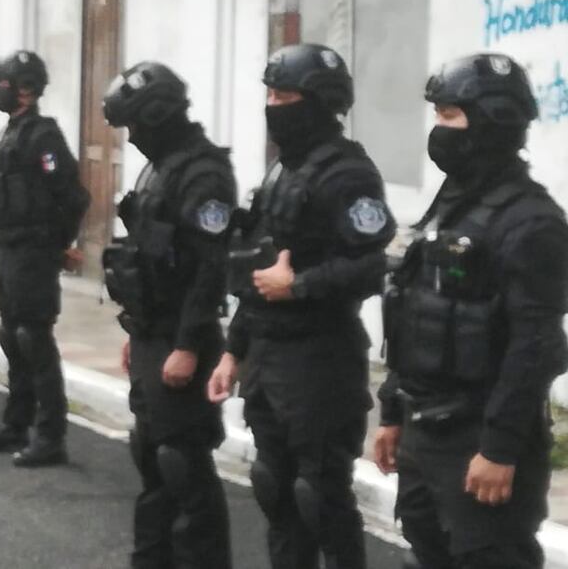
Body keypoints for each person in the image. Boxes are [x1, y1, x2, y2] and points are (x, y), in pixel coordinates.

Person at [373, 53, 568, 569]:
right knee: (426, 547)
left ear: (493, 122)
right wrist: (393, 411)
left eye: (450, 116)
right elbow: (411, 311)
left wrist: (500, 449)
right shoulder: (450, 204)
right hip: (423, 429)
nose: (438, 129)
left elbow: (537, 346)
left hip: (479, 435)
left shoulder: (532, 222)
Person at [207, 43, 396, 569]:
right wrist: (232, 352)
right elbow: (257, 272)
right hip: (267, 356)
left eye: (285, 95)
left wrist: (302, 286)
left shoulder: (348, 174)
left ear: (319, 102)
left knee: (321, 496)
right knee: (273, 486)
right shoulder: (279, 172)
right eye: (269, 93)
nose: (273, 104)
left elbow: (373, 266)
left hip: (321, 359)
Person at [101, 61, 235, 567]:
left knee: (182, 464)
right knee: (152, 456)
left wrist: (187, 345)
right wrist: (136, 331)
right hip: (153, 333)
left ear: (158, 116)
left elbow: (208, 269)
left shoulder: (204, 173)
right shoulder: (159, 167)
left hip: (185, 338)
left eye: (136, 124)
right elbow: (148, 260)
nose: (132, 137)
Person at [0, 51, 90, 467]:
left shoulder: (43, 137)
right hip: (5, 248)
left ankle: (51, 436)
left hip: (32, 252)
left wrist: (60, 244)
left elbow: (72, 195)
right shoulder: (10, 133)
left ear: (26, 89)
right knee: (10, 336)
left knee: (32, 339)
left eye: (5, 82)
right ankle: (15, 424)